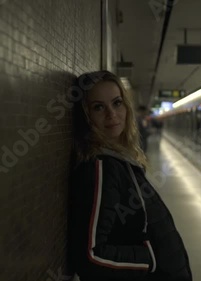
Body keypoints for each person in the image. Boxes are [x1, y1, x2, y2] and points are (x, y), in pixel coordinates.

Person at [69, 70, 192, 281]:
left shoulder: (120, 160)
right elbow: (90, 256)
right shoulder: (100, 168)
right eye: (98, 107)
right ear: (86, 116)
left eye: (117, 103)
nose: (111, 114)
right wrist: (151, 258)